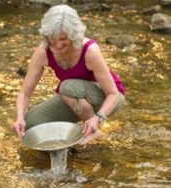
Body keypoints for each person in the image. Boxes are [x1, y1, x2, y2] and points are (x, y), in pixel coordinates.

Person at [13, 4, 125, 145]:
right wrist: (19, 118)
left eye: (64, 39)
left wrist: (97, 118)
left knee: (67, 87)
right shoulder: (43, 52)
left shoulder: (90, 51)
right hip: (73, 97)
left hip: (107, 99)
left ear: (74, 36)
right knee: (30, 125)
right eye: (53, 38)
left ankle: (92, 131)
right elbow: (25, 93)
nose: (58, 45)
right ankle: (74, 139)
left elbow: (113, 94)